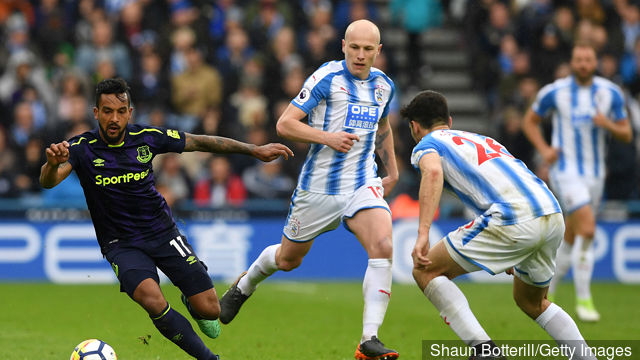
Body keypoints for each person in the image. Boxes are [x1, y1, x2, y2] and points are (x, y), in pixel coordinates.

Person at [40, 78, 293, 360]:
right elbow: (49, 181)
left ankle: (190, 298)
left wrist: (253, 150)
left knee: (212, 311)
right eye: (107, 111)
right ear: (96, 112)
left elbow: (198, 142)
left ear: (130, 113)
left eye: (120, 111)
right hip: (121, 243)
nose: (114, 118)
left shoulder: (147, 136)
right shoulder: (81, 147)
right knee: (152, 299)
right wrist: (52, 164)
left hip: (163, 232)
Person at [218, 20, 400, 360]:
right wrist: (328, 138)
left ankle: (368, 339)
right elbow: (285, 123)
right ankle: (245, 286)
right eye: (355, 47)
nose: (360, 55)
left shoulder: (383, 86)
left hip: (362, 182)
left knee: (384, 245)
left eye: (368, 49)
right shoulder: (326, 78)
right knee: (288, 260)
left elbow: (384, 126)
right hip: (318, 188)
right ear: (343, 45)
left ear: (378, 51)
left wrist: (393, 167)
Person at [404, 90, 596, 360]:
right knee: (533, 302)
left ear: (414, 127)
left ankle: (484, 351)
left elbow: (433, 172)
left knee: (426, 270)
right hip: (551, 213)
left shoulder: (427, 144)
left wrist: (422, 232)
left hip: (514, 218)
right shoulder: (483, 139)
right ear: (449, 119)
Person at [522, 42, 633, 322]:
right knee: (589, 228)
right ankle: (584, 300)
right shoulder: (555, 92)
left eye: (588, 59)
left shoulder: (610, 93)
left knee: (572, 236)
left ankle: (550, 292)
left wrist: (605, 123)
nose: (583, 63)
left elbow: (627, 134)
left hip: (596, 174)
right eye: (579, 59)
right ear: (572, 62)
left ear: (595, 62)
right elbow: (529, 121)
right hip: (565, 171)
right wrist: (545, 150)